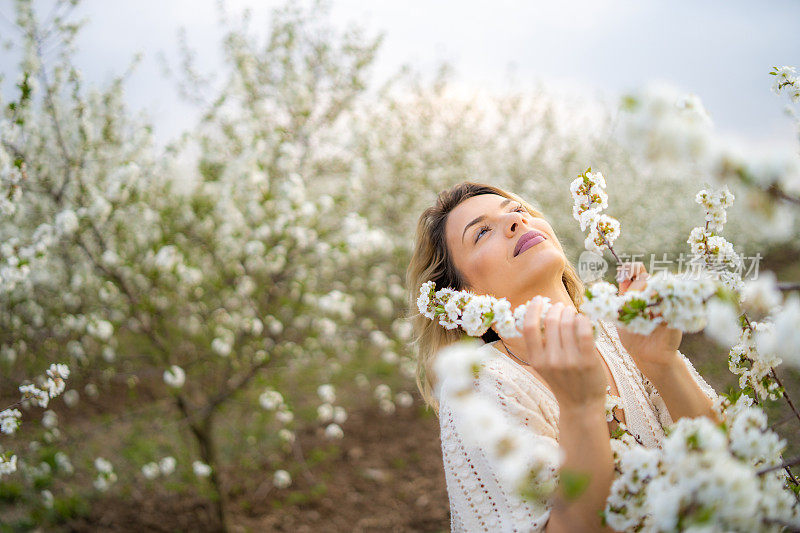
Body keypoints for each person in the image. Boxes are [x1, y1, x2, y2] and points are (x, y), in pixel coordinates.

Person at [405, 182, 720, 532]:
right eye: (481, 233)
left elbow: (727, 465)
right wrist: (580, 409)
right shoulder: (479, 384)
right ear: (463, 296)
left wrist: (663, 364)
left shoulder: (617, 329)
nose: (515, 223)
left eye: (517, 211)